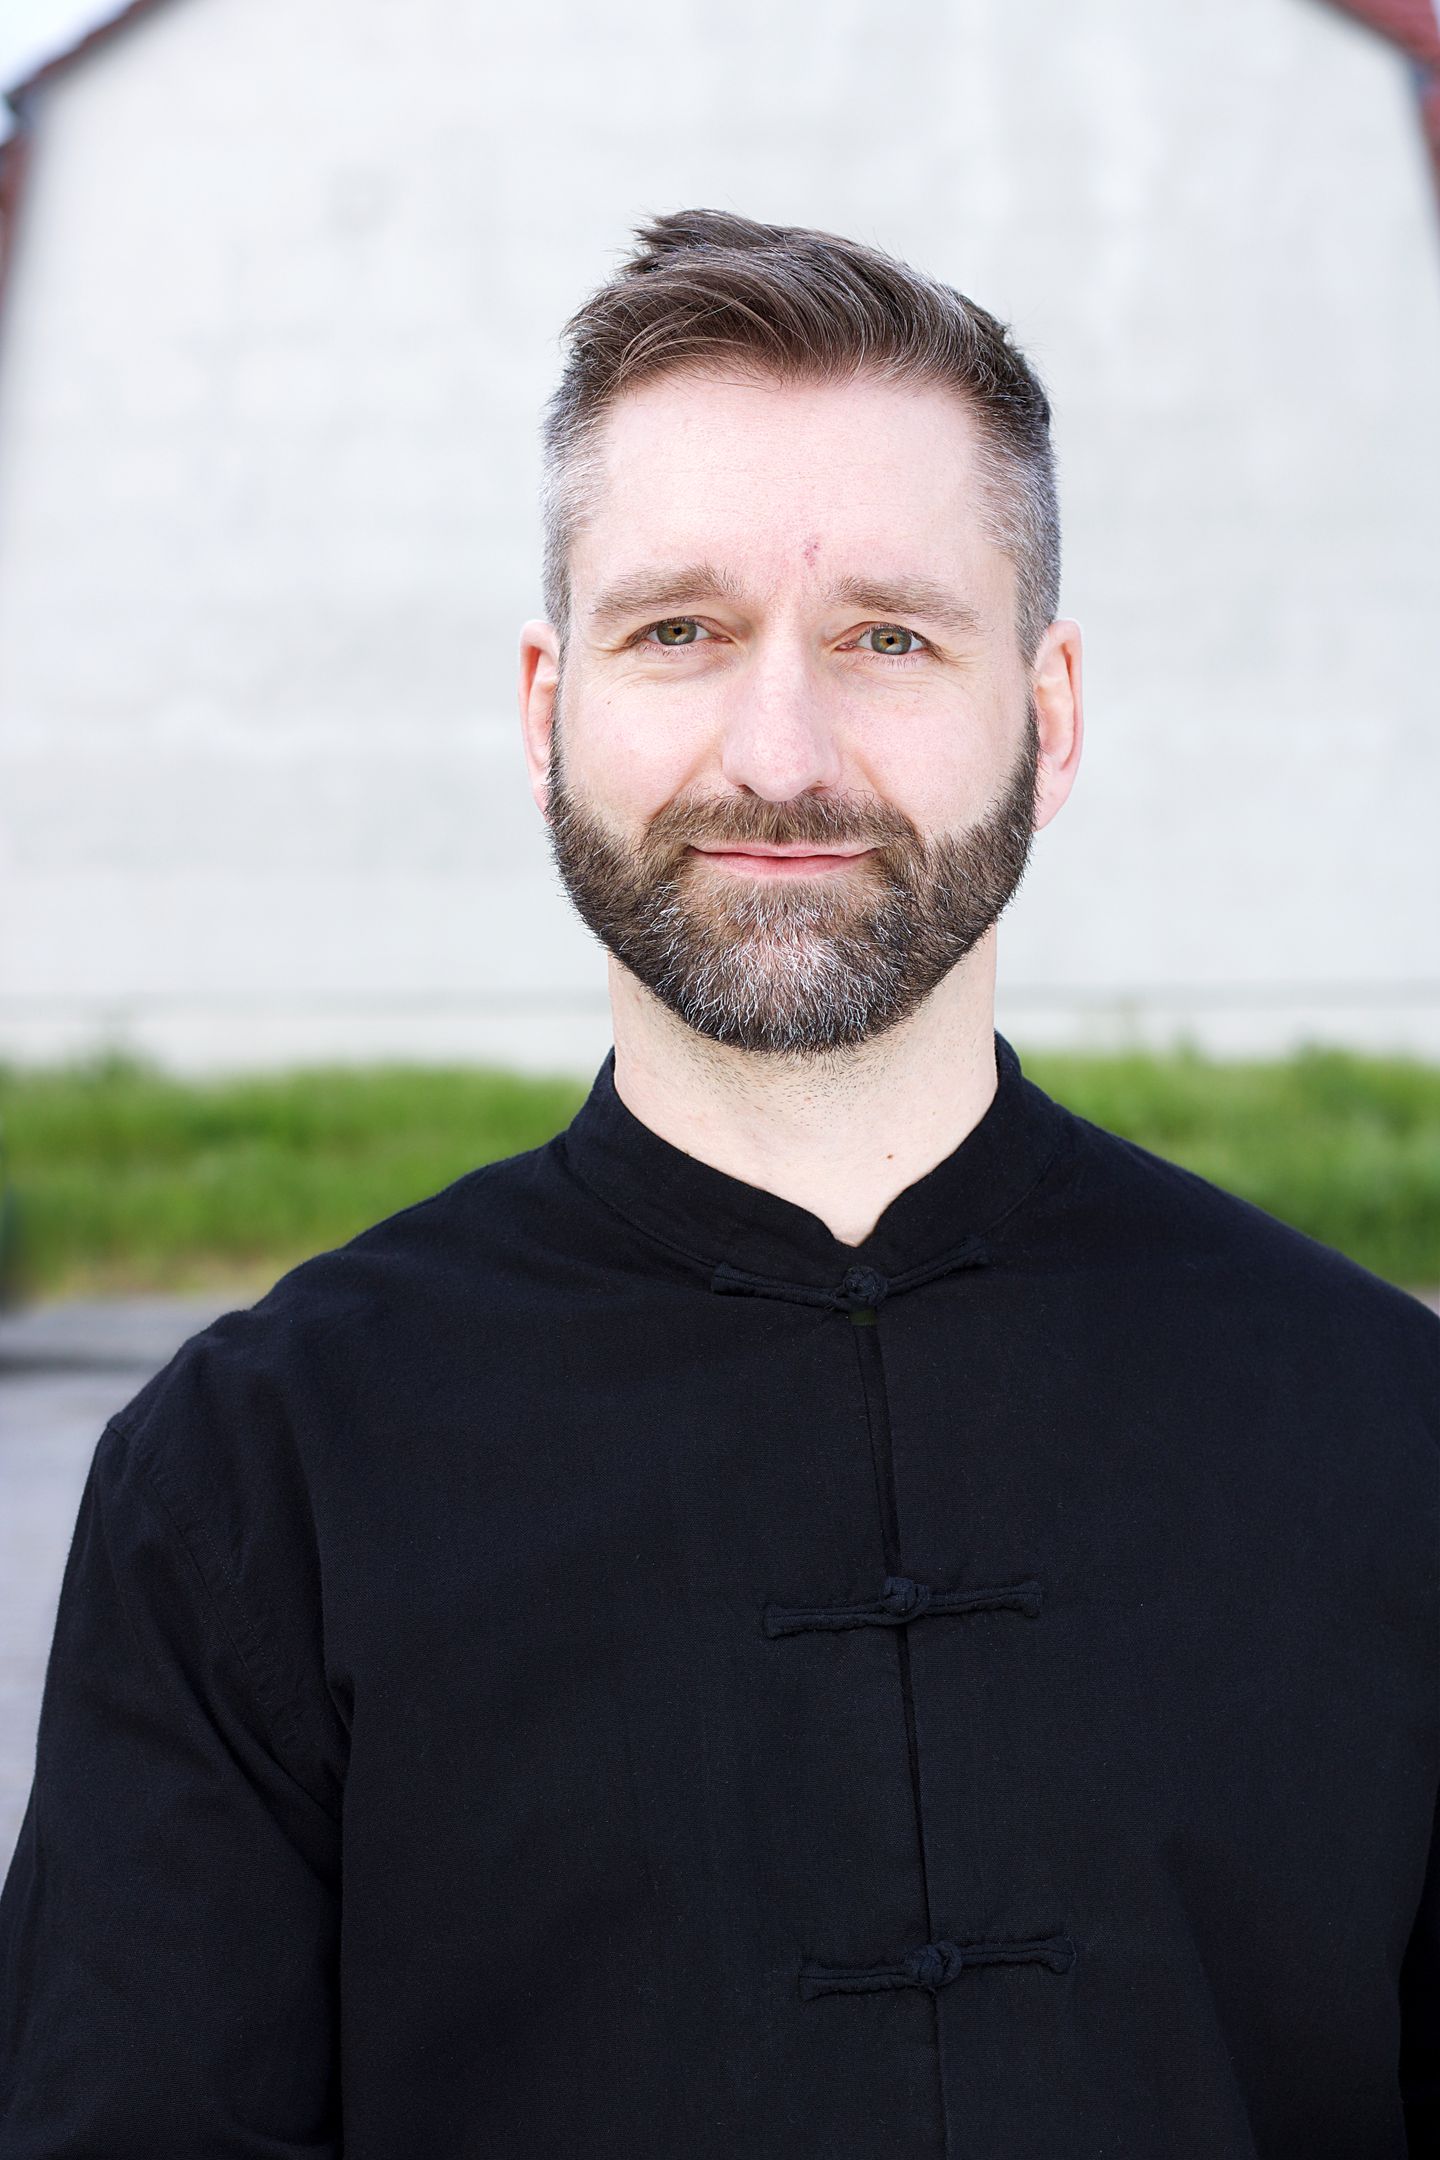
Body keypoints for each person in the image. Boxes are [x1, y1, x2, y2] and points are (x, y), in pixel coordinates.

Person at [0, 207, 1435, 2158]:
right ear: (547, 711)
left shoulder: (1390, 1435)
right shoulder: (254, 1485)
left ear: (1049, 714)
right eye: (679, 631)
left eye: (888, 638)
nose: (778, 754)